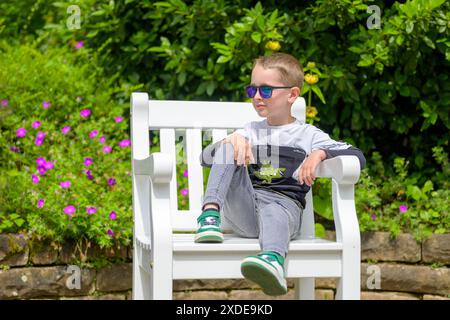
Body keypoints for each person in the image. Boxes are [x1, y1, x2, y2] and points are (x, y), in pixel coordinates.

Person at [195, 53, 366, 296]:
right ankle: (209, 216)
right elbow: (205, 158)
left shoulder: (307, 135)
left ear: (292, 94)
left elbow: (356, 155)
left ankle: (273, 260)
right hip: (245, 210)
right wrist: (230, 140)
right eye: (252, 89)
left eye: (265, 91)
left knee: (274, 207)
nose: (256, 97)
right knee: (228, 146)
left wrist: (319, 154)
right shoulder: (249, 131)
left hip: (283, 212)